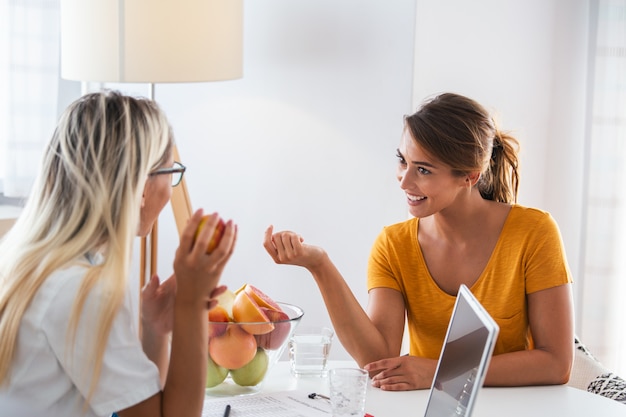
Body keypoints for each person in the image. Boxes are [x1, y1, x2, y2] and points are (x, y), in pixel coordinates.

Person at [263, 92, 574, 391]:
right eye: (403, 161)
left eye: (423, 170)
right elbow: (378, 359)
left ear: (470, 176)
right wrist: (319, 264)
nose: (404, 180)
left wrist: (441, 371)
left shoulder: (535, 232)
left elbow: (556, 364)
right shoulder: (394, 245)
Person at [0, 90, 237, 416]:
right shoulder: (83, 293)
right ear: (141, 186)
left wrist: (153, 329)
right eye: (171, 173)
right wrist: (192, 303)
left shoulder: (30, 264)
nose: (171, 188)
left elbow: (134, 407)